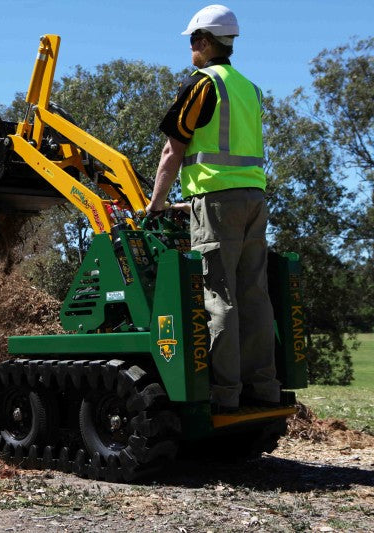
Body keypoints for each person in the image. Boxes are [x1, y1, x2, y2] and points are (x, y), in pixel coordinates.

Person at [146, 4, 280, 413]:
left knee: (219, 296)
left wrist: (156, 203)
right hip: (255, 199)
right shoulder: (249, 88)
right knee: (254, 295)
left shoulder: (203, 84)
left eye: (192, 41)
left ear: (204, 42)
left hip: (216, 203)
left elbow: (173, 149)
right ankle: (264, 388)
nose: (190, 49)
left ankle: (225, 394)